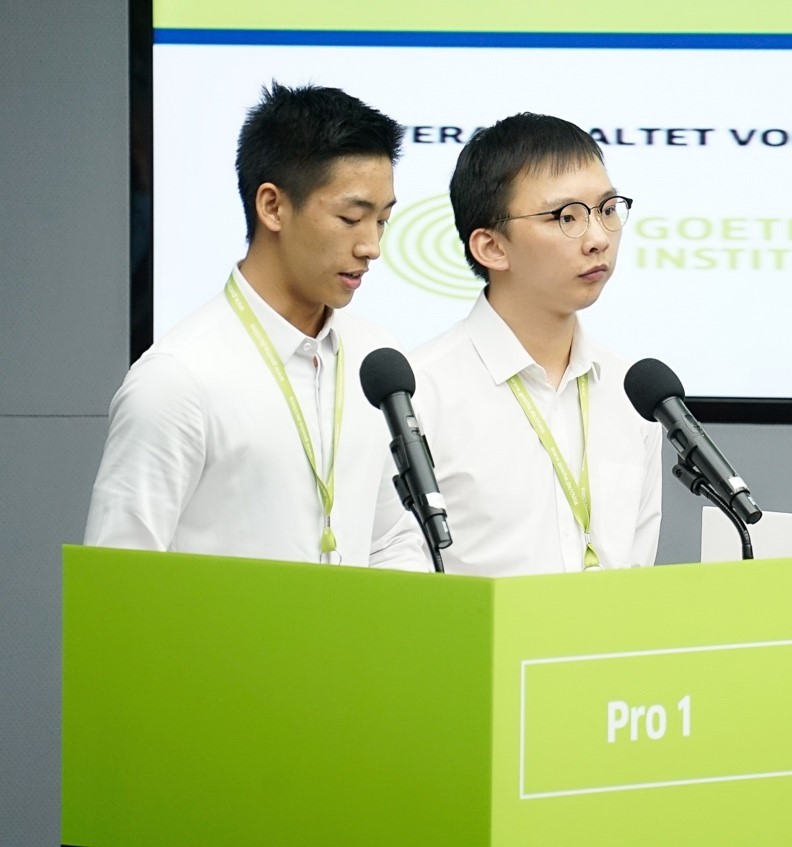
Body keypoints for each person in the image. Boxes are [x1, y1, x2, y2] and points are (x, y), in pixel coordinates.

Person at [84, 82, 425, 570]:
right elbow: (118, 579)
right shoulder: (177, 380)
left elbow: (392, 538)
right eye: (351, 218)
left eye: (382, 221)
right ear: (272, 207)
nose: (371, 246)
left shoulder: (376, 358)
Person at [408, 113, 662, 576]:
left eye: (607, 209)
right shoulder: (419, 394)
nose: (598, 239)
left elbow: (637, 571)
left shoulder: (634, 394)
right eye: (566, 217)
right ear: (491, 247)